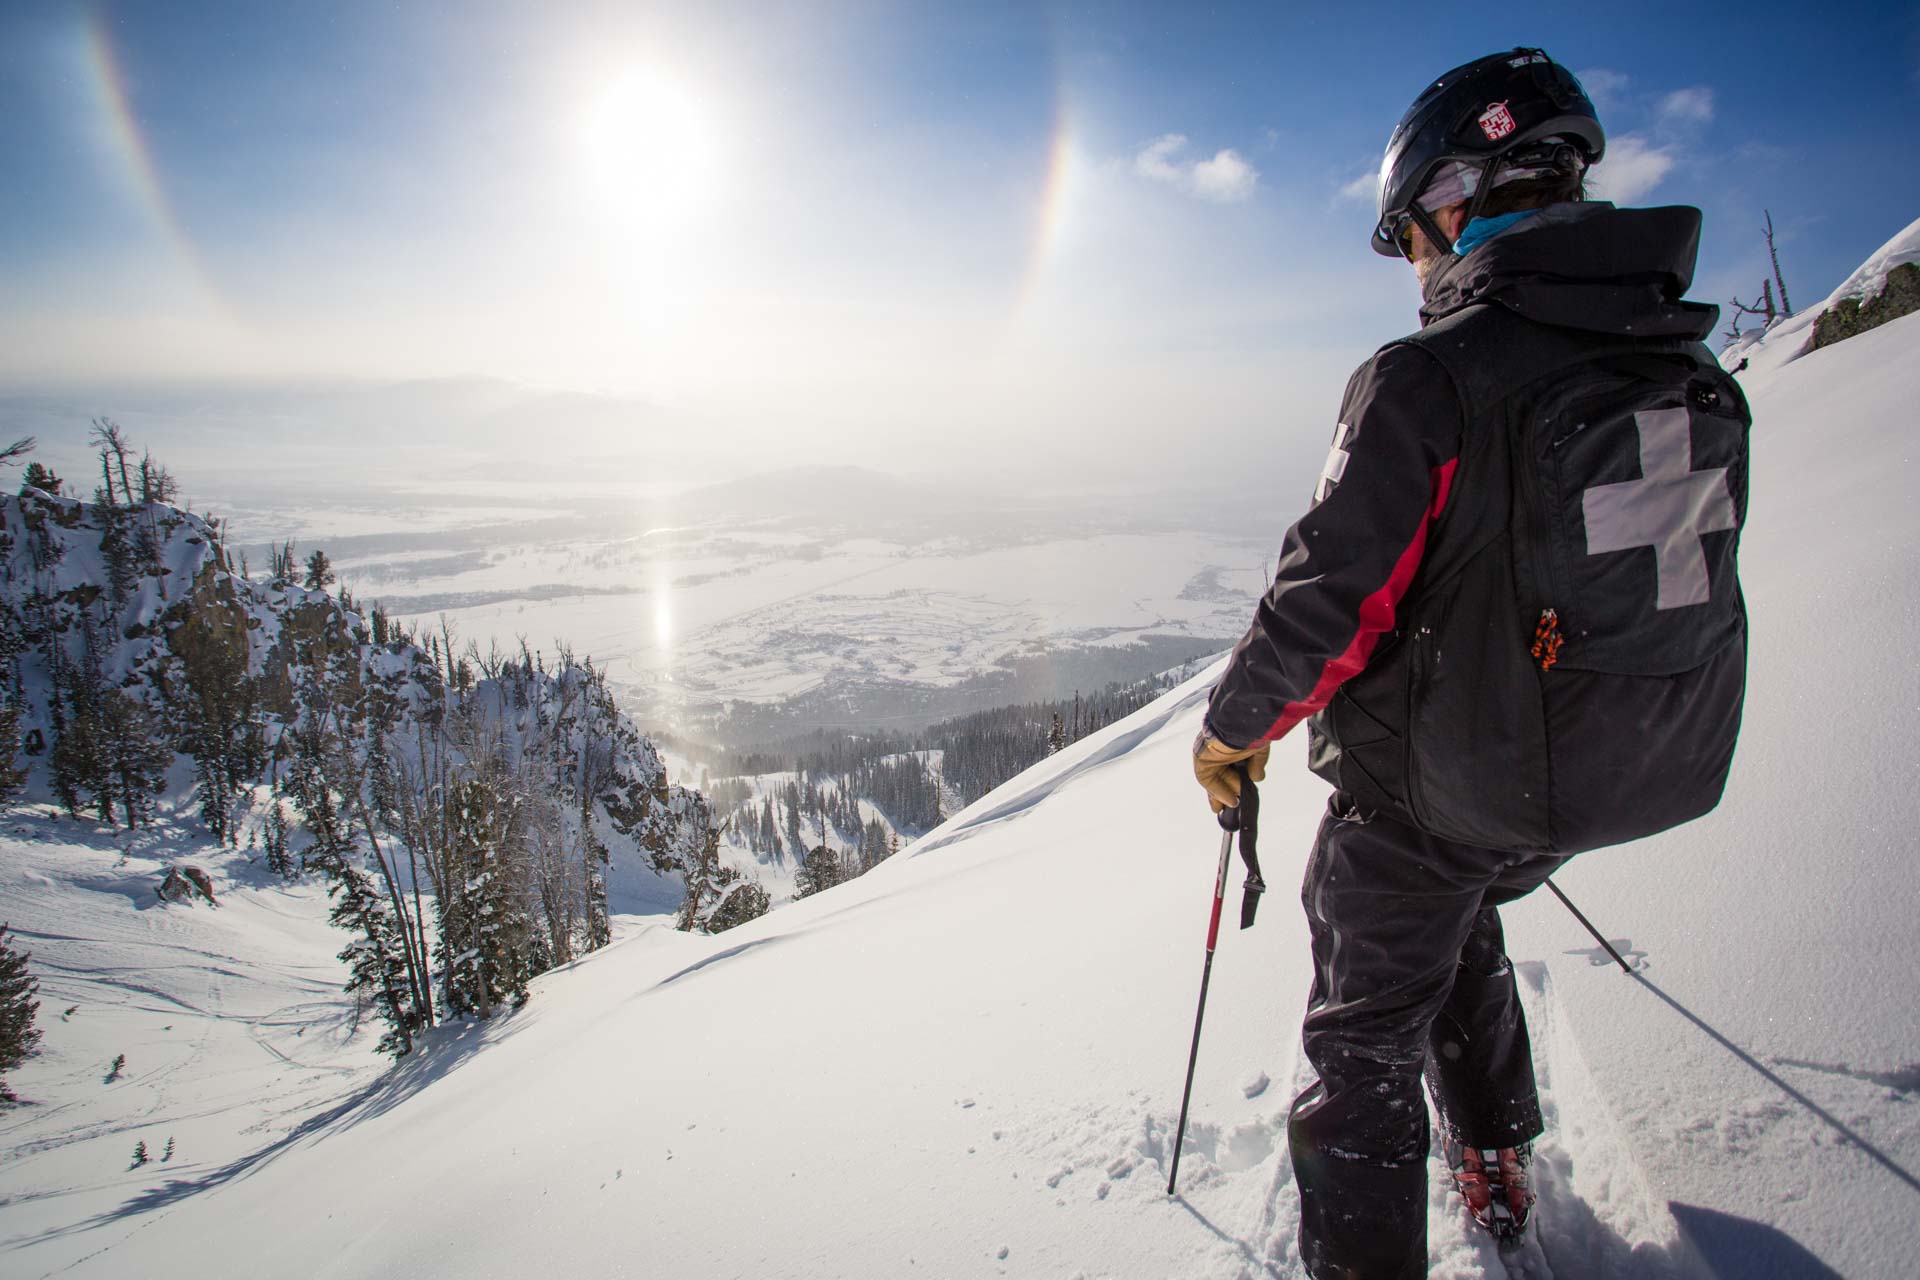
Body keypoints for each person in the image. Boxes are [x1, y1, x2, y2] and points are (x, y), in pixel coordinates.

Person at [1191, 48, 1749, 1280]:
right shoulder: (1684, 361)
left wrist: (1231, 735)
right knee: (1457, 922)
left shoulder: (1429, 378)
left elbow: (1326, 605)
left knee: (1358, 1041)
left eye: (1410, 237)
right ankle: (1494, 1153)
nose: (1417, 267)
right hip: (1623, 769)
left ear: (1458, 192)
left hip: (1453, 791)